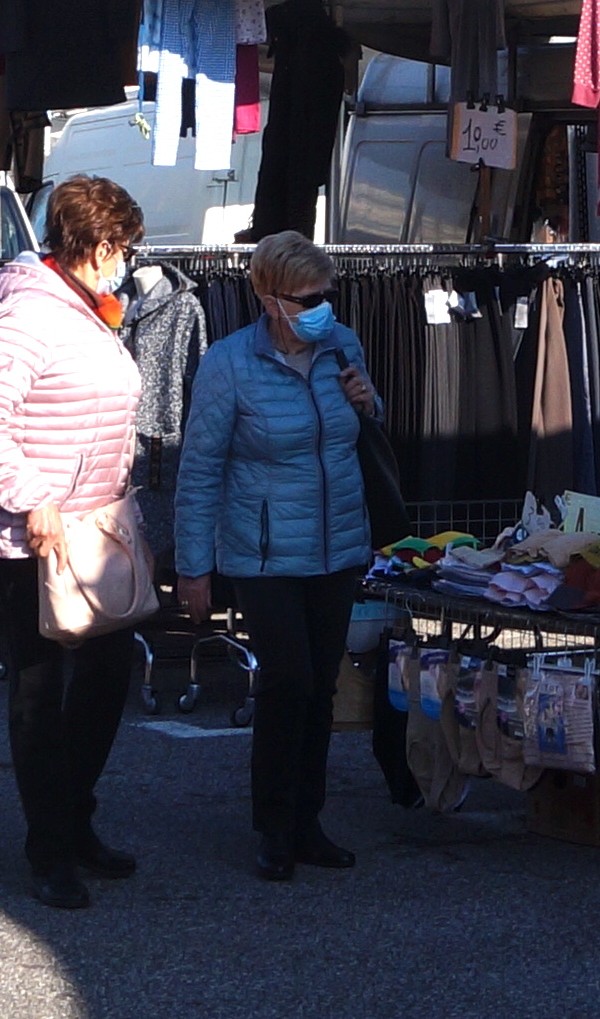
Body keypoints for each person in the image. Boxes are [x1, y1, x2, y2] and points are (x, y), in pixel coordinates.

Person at [0, 175, 144, 911]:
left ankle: (75, 821)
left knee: (102, 682)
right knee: (40, 694)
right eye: (118, 244)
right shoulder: (31, 313)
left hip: (95, 527)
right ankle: (50, 846)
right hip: (32, 536)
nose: (124, 257)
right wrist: (33, 497)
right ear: (91, 244)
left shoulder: (88, 309)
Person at [175, 230, 378, 881]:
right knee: (286, 682)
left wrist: (368, 403)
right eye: (309, 297)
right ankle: (273, 824)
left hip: (337, 543)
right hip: (261, 550)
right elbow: (199, 468)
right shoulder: (229, 364)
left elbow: (369, 426)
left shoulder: (341, 345)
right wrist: (192, 564)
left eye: (328, 294)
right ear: (271, 299)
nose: (323, 307)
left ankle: (308, 822)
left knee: (321, 687)